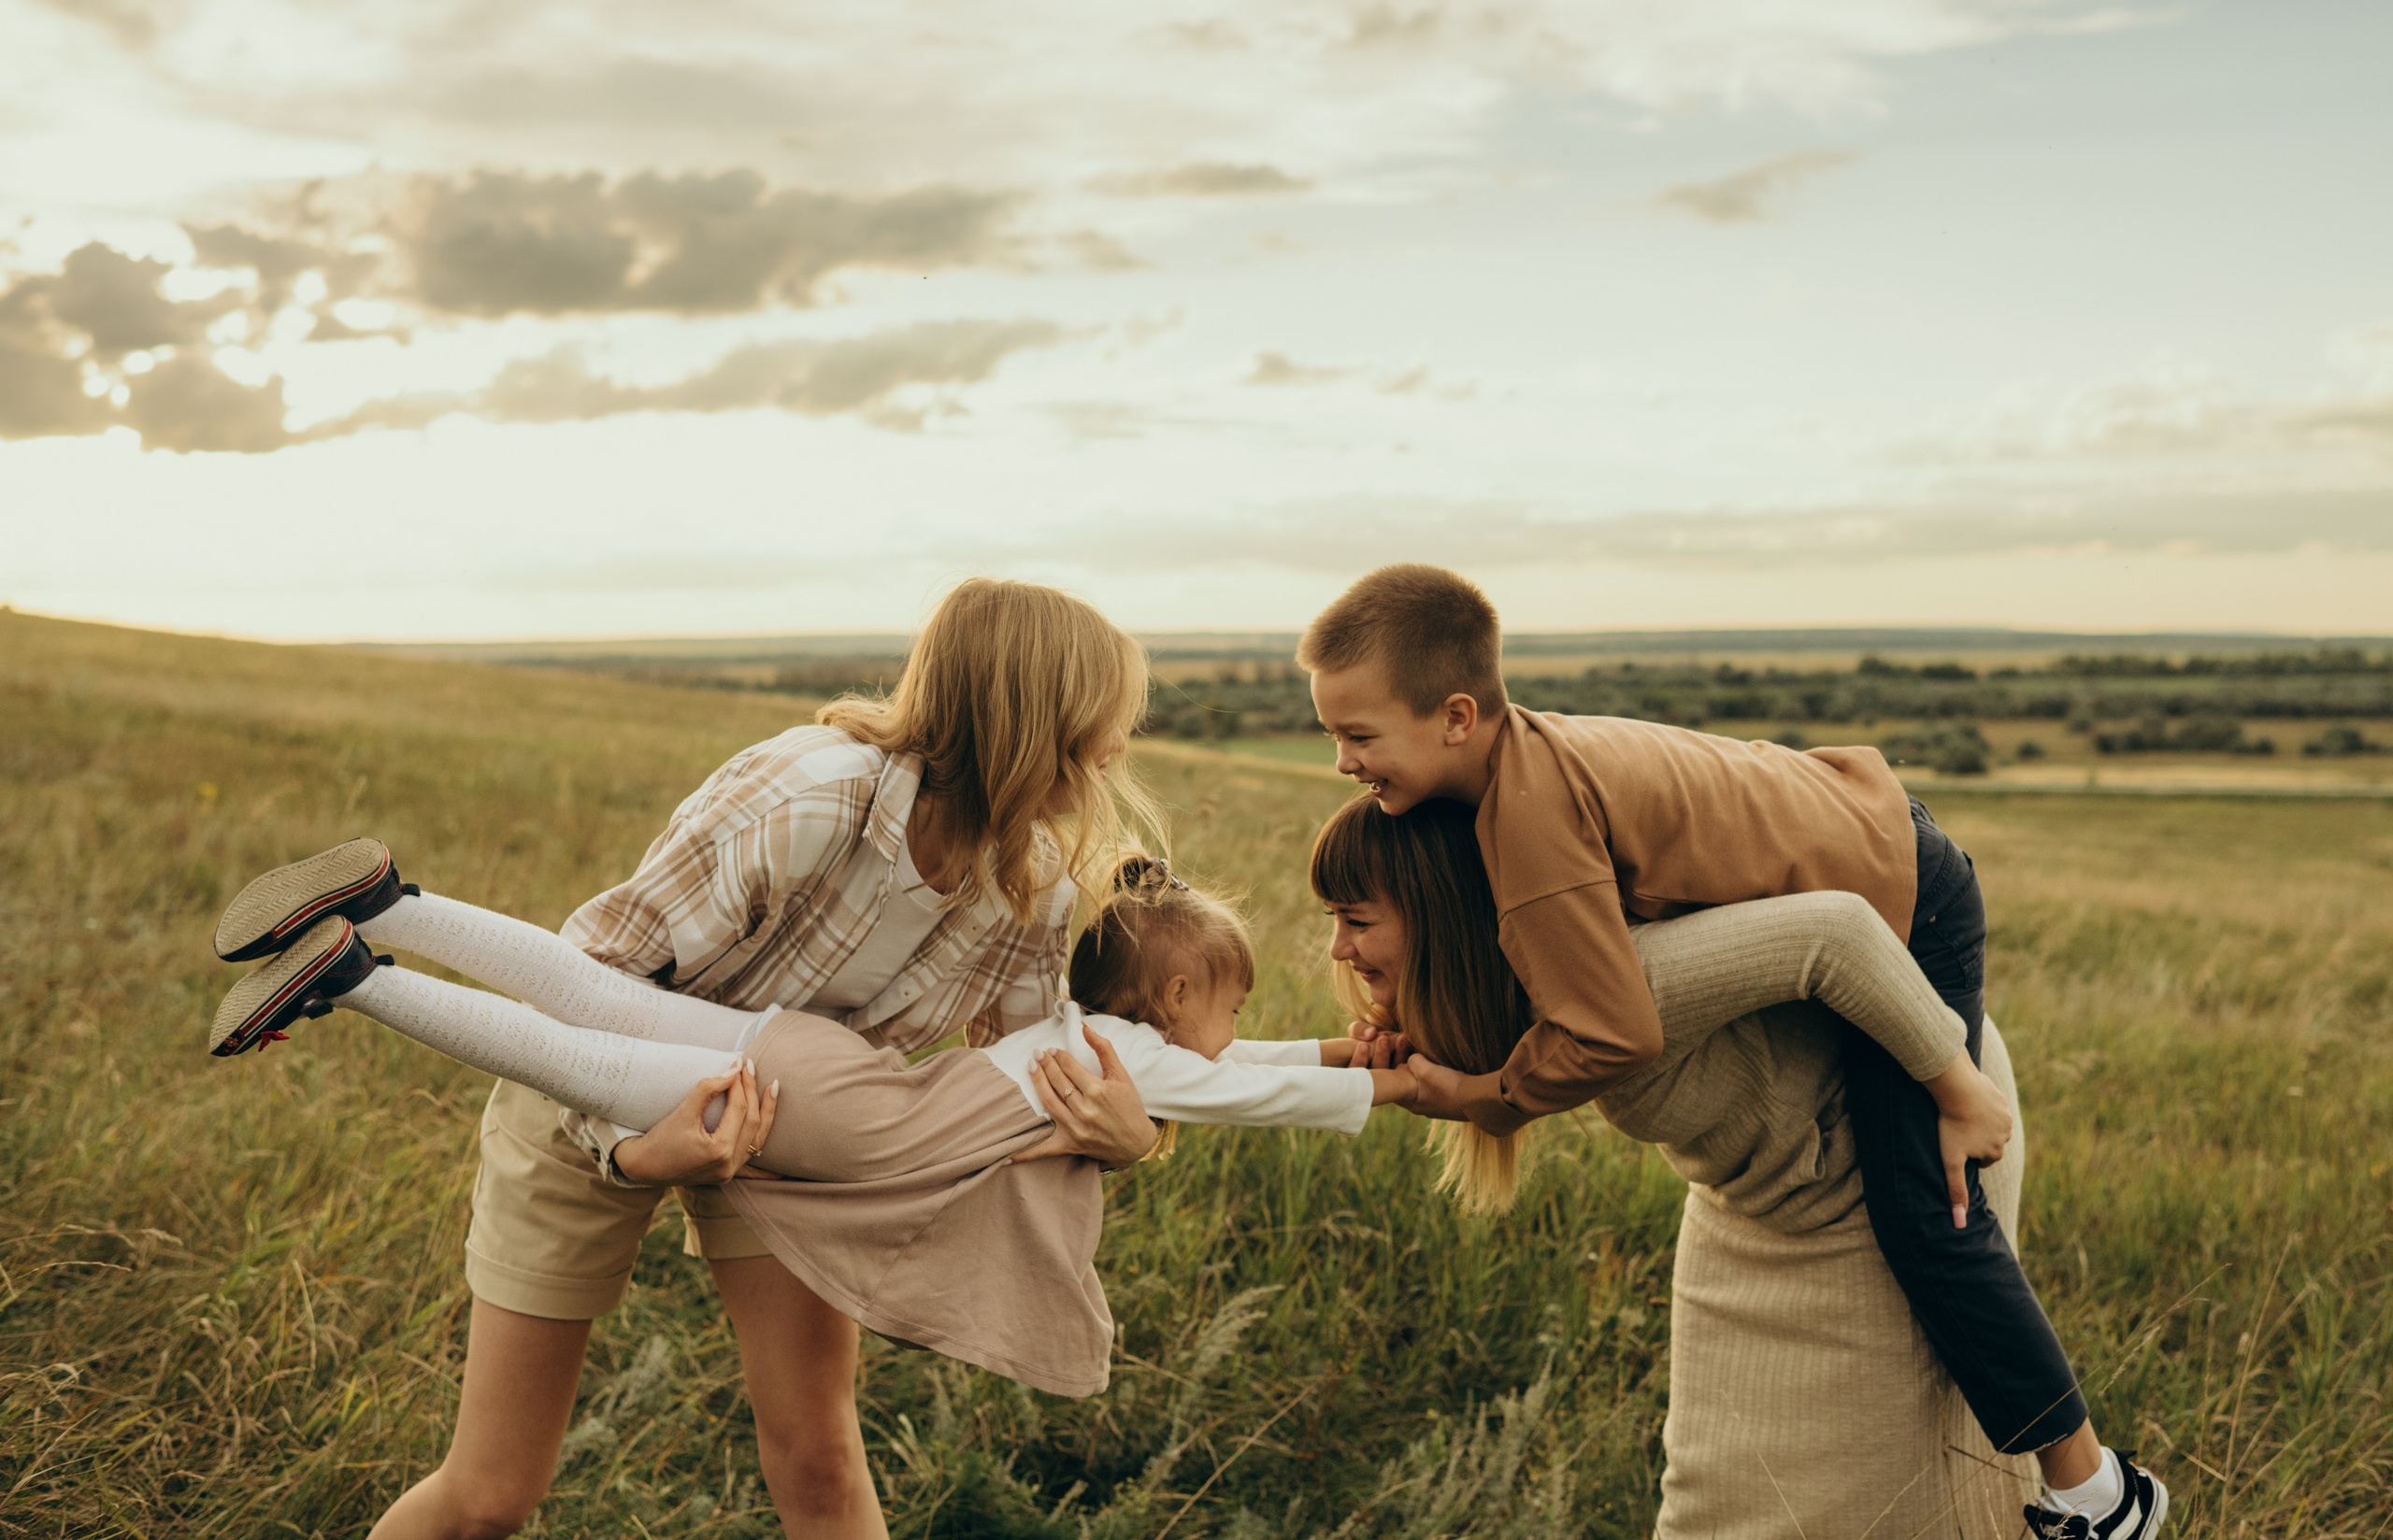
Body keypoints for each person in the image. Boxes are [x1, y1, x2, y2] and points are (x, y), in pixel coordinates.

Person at [209, 578, 1164, 1540]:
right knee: (491, 1493)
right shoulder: (809, 794)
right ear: (1025, 721)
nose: (1118, 748)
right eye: (1102, 722)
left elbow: (1015, 1079)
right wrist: (632, 1152)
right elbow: (591, 979)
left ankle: (365, 942)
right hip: (583, 1099)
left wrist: (1128, 1137)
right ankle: (365, 945)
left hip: (786, 1139)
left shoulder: (1033, 883)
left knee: (822, 1463)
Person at [1299, 564, 2166, 1540]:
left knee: (1927, 1217)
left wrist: (1957, 1087)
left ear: (1456, 717)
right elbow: (1530, 980)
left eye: (1358, 736)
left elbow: (1622, 1025)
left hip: (1905, 900)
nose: (1342, 760)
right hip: (1871, 853)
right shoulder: (1526, 770)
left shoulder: (1530, 820)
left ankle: (2100, 1493)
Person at [210, 855, 1414, 1397]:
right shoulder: (1130, 1062)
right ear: (1177, 996)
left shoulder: (1076, 1024)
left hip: (817, 1055)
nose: (1236, 1028)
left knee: (597, 1000)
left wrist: (1333, 1052)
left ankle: (389, 906)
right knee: (581, 1060)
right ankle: (353, 979)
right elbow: (1248, 1088)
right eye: (1232, 1005)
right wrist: (1398, 1087)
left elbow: (1235, 1064)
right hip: (840, 1123)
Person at [1310, 793, 2053, 1536]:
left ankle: (2092, 1496)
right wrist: (1397, 1057)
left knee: (1883, 1485)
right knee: (1712, 1495)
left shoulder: (1625, 976)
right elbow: (1474, 1061)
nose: (1339, 948)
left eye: (1358, 922)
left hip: (1878, 1157)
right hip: (1747, 1195)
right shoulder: (1501, 988)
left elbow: (1838, 932)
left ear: (1438, 919)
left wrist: (1957, 1087)